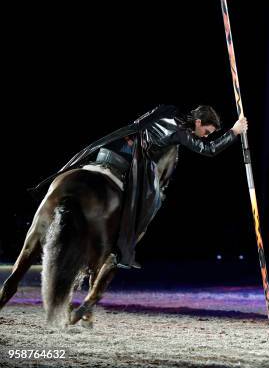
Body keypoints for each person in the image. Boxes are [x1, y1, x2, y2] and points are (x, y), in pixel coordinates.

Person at [34, 105, 248, 269]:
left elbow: (144, 121)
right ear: (199, 122)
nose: (206, 135)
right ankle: (121, 250)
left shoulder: (168, 109)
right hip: (136, 158)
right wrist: (234, 131)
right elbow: (208, 149)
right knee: (151, 201)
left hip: (119, 143)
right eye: (207, 131)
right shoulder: (182, 132)